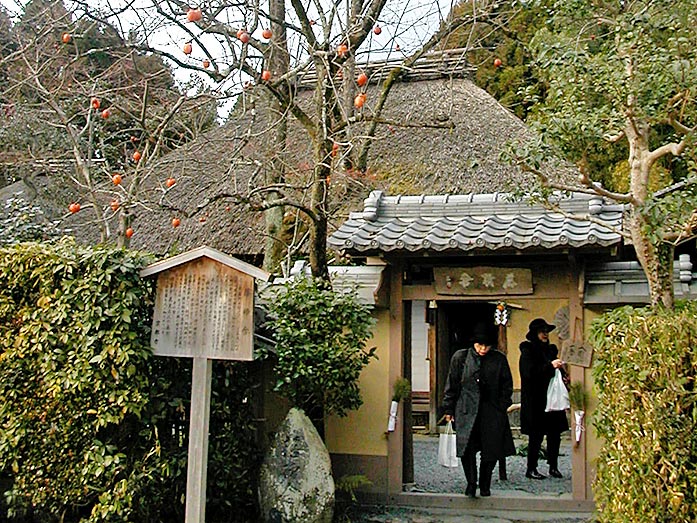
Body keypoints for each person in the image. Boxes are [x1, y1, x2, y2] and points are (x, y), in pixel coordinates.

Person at [442, 326, 515, 498]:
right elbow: (452, 384)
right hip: (466, 409)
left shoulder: (498, 359)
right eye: (480, 345)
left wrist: (502, 405)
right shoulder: (461, 357)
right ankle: (471, 482)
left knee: (491, 450)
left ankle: (485, 483)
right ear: (473, 343)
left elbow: (507, 385)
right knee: (467, 449)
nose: (483, 349)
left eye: (487, 346)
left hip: (491, 411)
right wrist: (448, 408)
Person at [519, 318, 569, 480]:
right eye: (542, 331)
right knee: (536, 436)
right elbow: (529, 374)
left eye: (547, 331)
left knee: (554, 434)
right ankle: (531, 467)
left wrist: (563, 375)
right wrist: (550, 367)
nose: (545, 334)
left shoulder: (550, 351)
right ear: (535, 333)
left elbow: (555, 373)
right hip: (536, 401)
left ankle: (553, 466)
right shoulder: (528, 352)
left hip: (552, 398)